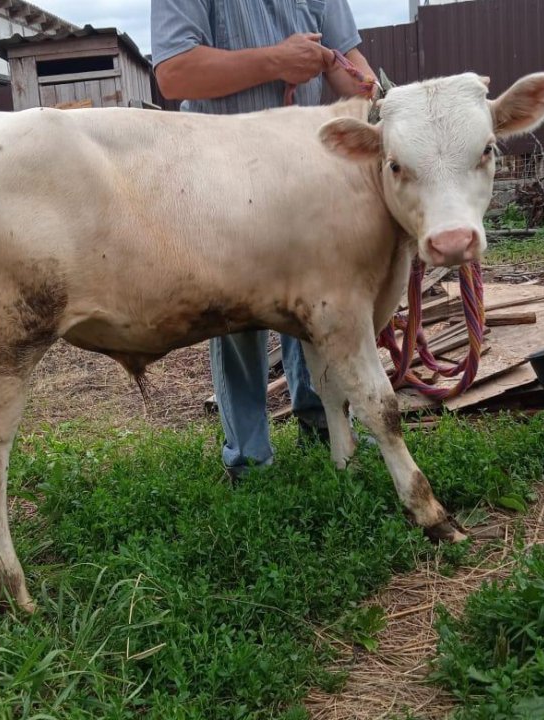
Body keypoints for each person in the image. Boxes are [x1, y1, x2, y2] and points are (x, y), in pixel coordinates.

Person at [150, 0, 377, 479]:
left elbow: (354, 71)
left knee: (318, 307)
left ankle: (327, 427)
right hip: (225, 176)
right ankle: (249, 460)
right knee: (238, 318)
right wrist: (276, 60)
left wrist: (362, 86)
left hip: (310, 176)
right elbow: (173, 74)